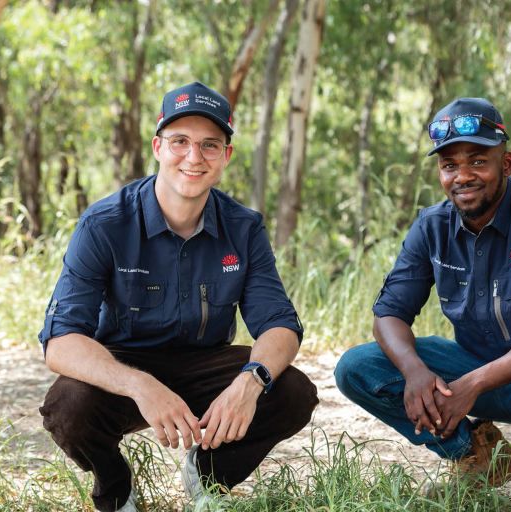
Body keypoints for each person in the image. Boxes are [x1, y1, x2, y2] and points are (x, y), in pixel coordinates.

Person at [38, 82, 318, 512]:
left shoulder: (243, 229)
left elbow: (279, 324)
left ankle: (207, 473)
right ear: (157, 147)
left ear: (226, 156)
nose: (193, 157)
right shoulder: (104, 224)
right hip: (123, 365)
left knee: (292, 390)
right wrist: (140, 384)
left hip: (204, 364)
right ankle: (115, 489)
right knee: (66, 405)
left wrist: (249, 381)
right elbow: (60, 342)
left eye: (210, 145)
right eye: (180, 142)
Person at [335, 97, 511, 494]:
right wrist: (415, 372)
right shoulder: (431, 226)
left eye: (478, 161)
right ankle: (476, 456)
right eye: (449, 165)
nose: (462, 175)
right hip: (471, 368)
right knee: (358, 367)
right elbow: (389, 314)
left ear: (507, 164)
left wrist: (471, 385)